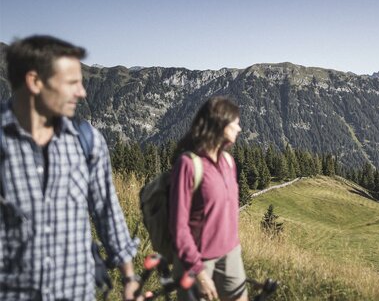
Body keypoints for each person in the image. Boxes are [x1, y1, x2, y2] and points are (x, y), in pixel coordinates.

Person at [0, 35, 142, 300]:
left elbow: (106, 210)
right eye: (72, 83)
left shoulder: (86, 141)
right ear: (34, 82)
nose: (82, 92)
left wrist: (129, 277)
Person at [169, 96, 247, 301]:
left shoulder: (229, 162)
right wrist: (199, 272)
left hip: (231, 254)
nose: (239, 129)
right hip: (199, 261)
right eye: (235, 124)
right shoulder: (188, 164)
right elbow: (178, 227)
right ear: (220, 125)